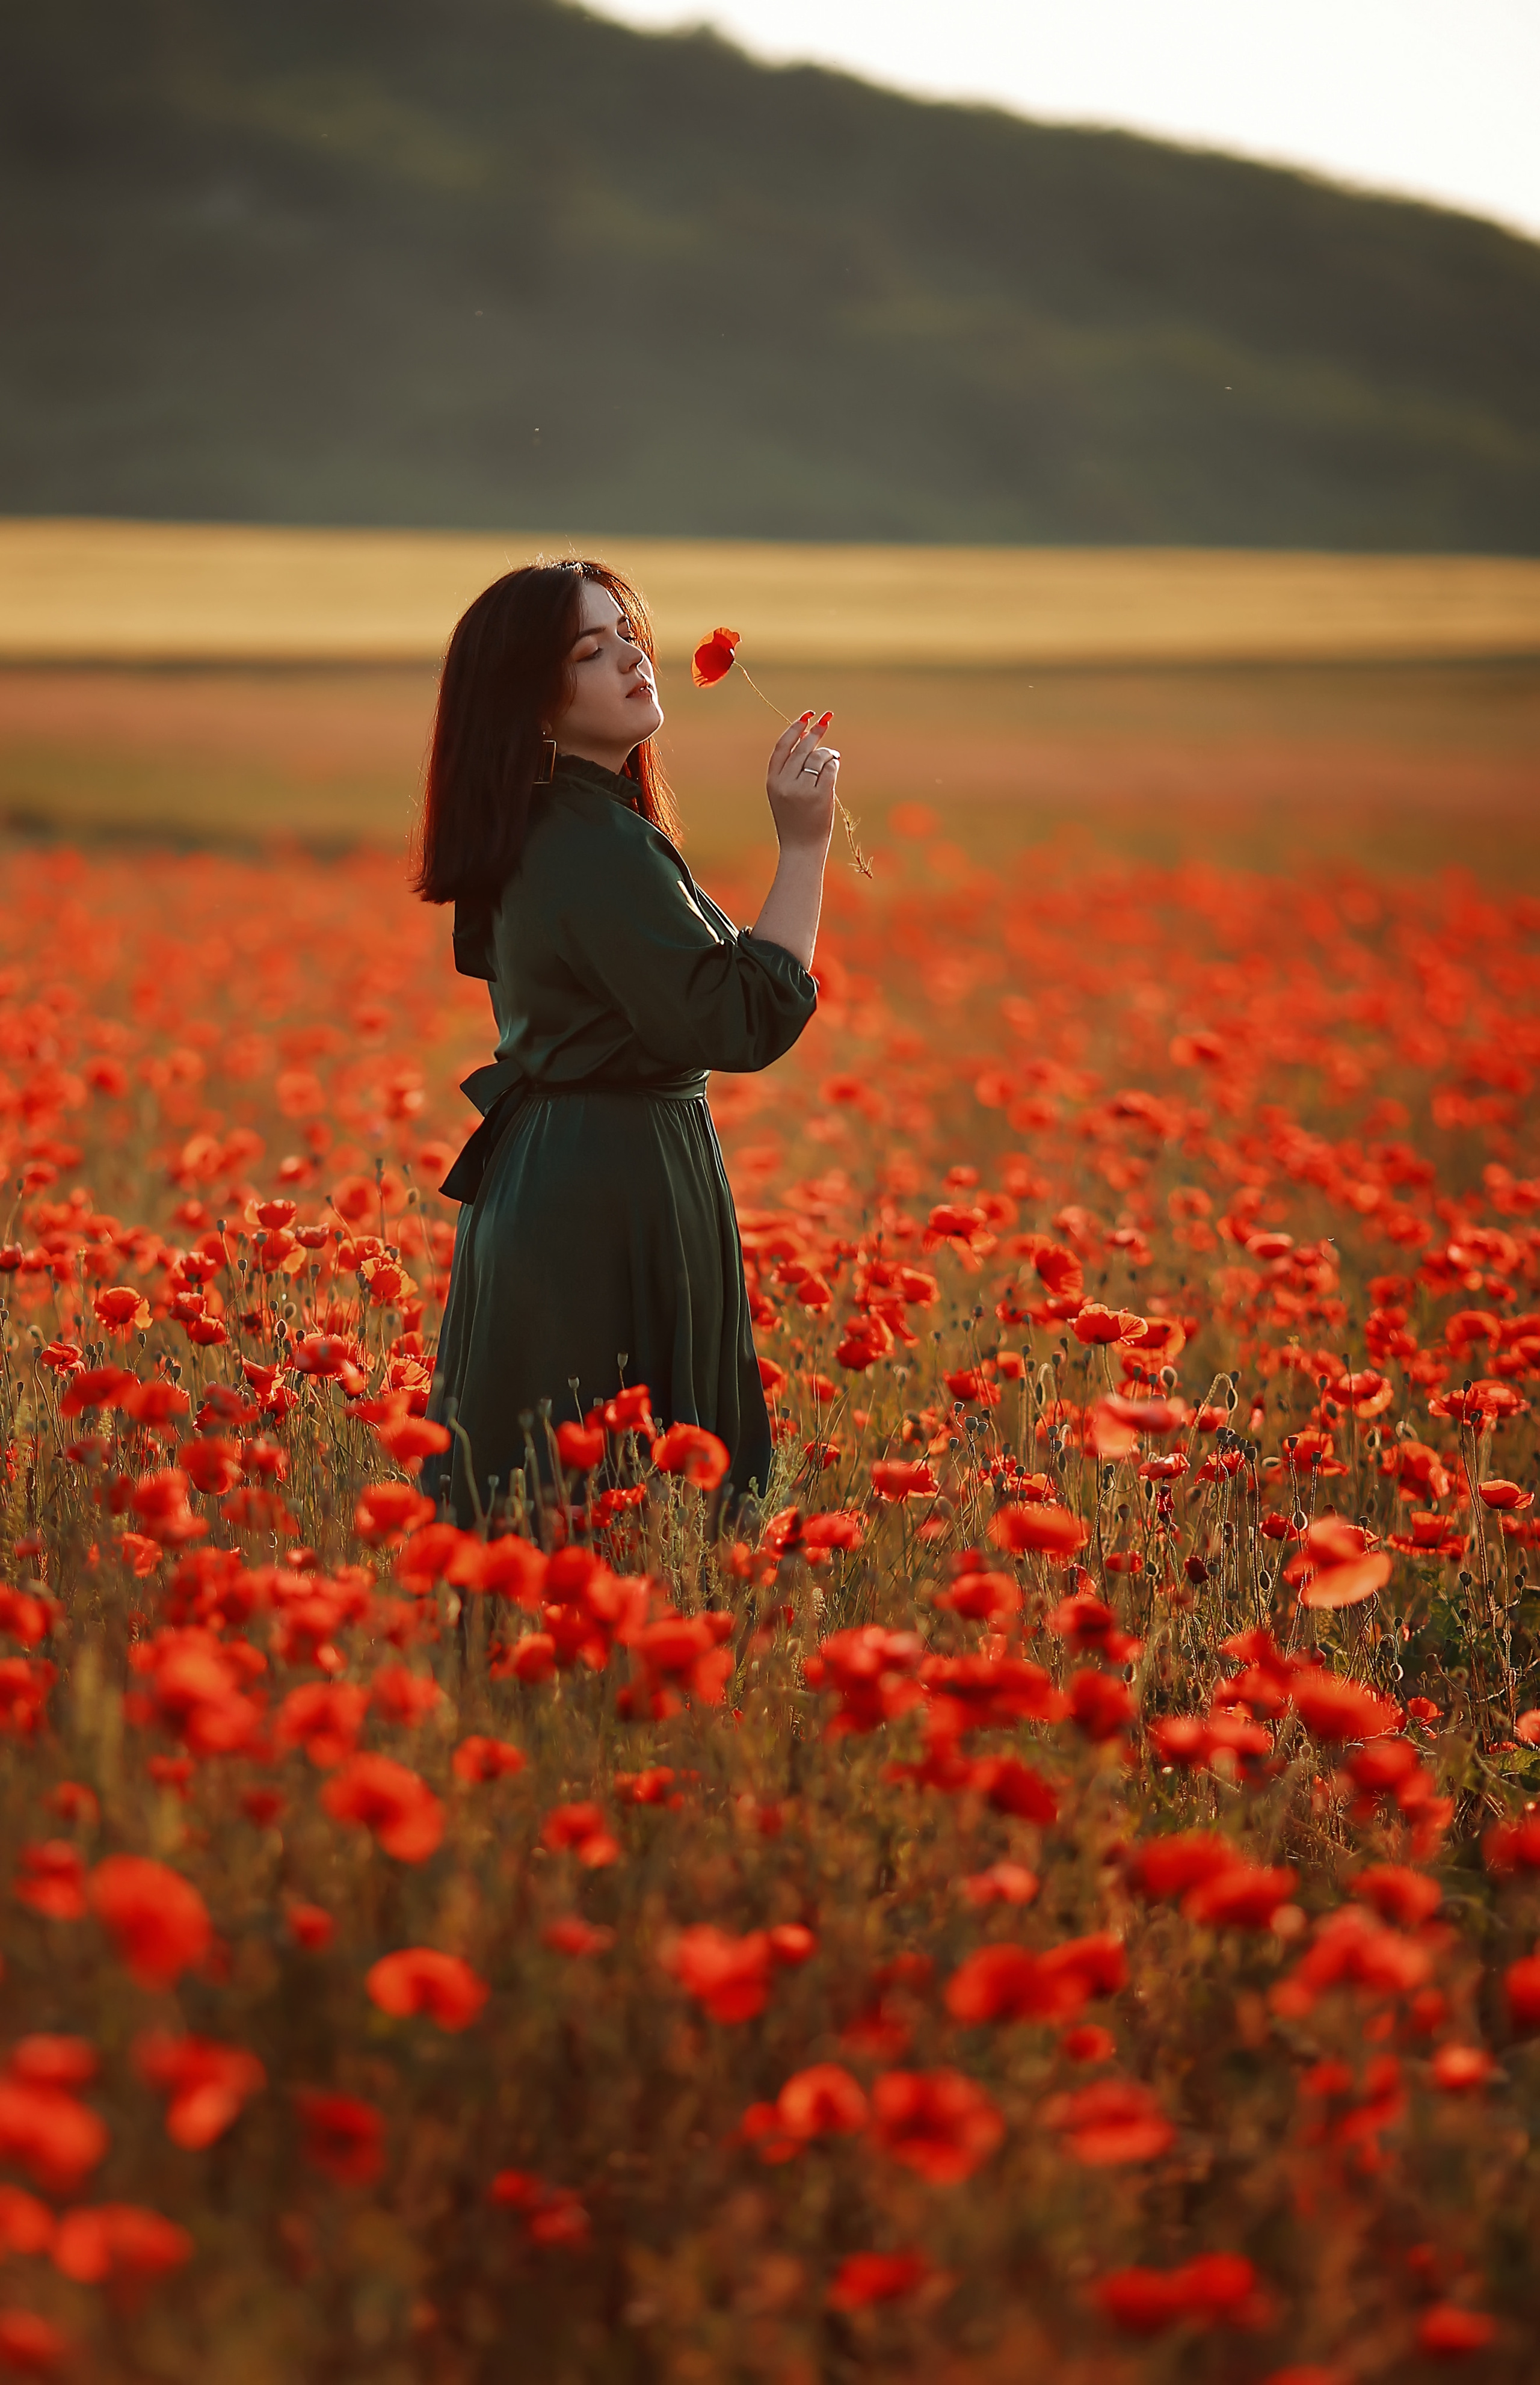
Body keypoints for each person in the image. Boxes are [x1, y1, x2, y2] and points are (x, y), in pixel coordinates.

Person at [410, 556, 836, 1528]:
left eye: (630, 637)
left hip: (568, 1170)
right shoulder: (587, 841)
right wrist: (805, 845)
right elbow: (740, 1018)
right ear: (534, 705)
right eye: (589, 651)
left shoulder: (562, 825)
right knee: (603, 1494)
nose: (632, 661)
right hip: (605, 1186)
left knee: (564, 1490)